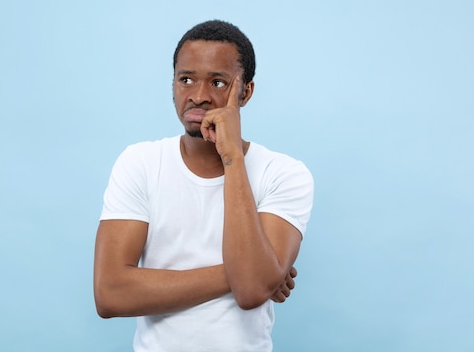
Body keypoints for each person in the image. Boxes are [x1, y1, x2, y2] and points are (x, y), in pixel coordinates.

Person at [94, 20, 313, 352]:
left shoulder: (284, 174)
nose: (199, 96)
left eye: (218, 82)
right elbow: (110, 293)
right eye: (186, 79)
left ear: (246, 92)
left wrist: (232, 159)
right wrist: (254, 273)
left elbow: (252, 292)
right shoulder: (140, 162)